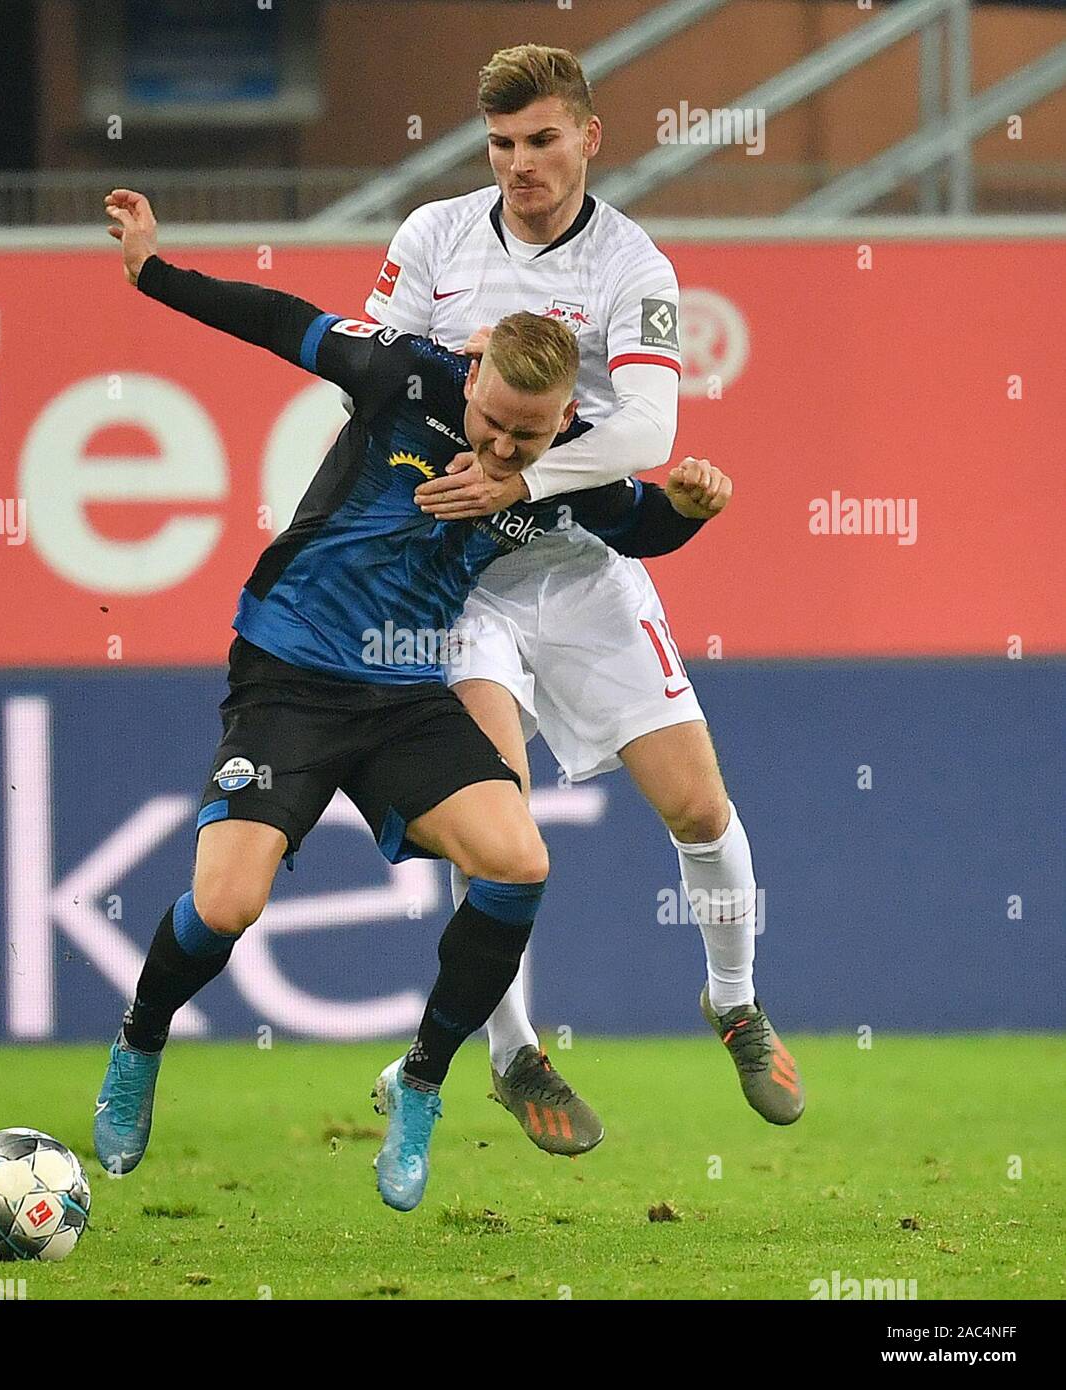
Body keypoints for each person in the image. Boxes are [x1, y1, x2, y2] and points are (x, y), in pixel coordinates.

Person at [92, 188, 731, 1211]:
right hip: (290, 675)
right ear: (469, 372)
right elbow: (273, 319)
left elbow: (643, 526)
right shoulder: (398, 371)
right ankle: (138, 1043)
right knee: (227, 902)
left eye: (531, 435)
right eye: (492, 424)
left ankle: (425, 1082)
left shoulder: (556, 470)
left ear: (565, 419)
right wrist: (153, 272)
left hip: (402, 693)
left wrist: (692, 510)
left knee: (518, 860)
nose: (504, 448)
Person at [364, 44, 804, 1152]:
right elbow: (377, 375)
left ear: (587, 137)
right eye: (502, 144)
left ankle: (733, 1000)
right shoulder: (433, 238)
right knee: (494, 823)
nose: (520, 164)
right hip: (460, 581)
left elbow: (650, 433)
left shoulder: (632, 265)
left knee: (698, 805)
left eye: (542, 140)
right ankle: (514, 1055)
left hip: (579, 565)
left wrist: (523, 473)